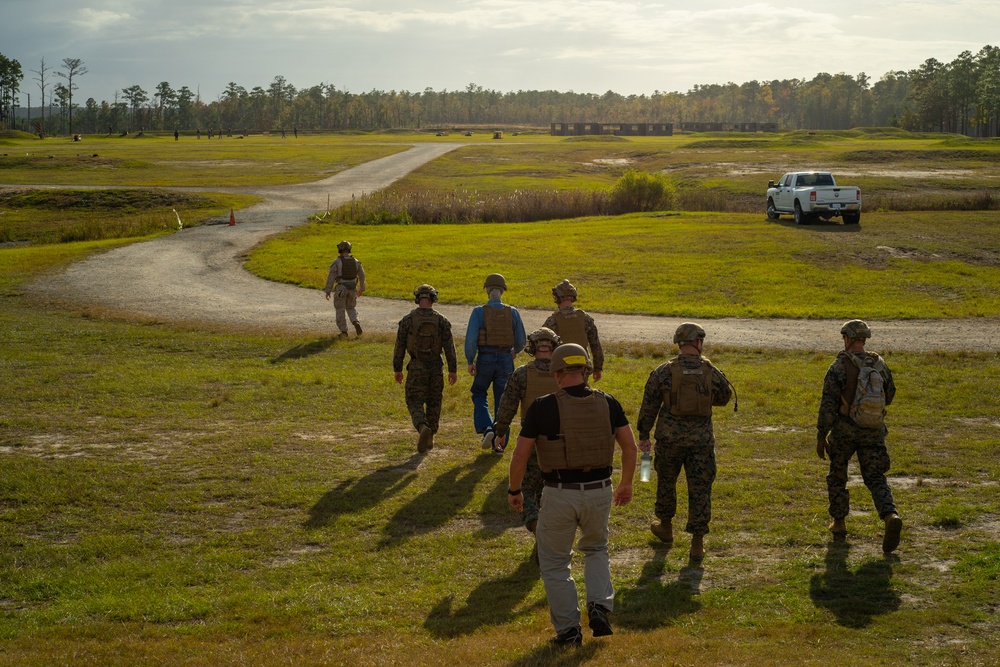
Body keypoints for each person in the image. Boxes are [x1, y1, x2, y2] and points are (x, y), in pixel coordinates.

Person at [507, 343, 636, 647]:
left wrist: (515, 490)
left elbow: (520, 455)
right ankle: (600, 606)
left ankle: (568, 631)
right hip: (600, 491)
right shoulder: (609, 403)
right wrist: (626, 483)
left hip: (559, 493)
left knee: (554, 563)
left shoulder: (542, 406)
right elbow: (631, 448)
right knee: (596, 549)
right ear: (586, 370)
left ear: (558, 372)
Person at [636, 322, 733, 561]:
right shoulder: (711, 371)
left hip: (669, 441)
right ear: (698, 343)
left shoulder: (663, 371)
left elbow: (649, 405)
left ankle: (666, 527)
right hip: (701, 442)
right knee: (700, 489)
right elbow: (724, 398)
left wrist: (643, 434)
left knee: (666, 483)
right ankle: (697, 544)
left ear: (679, 343)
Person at [817, 319, 902, 553]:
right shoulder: (879, 364)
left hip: (844, 431)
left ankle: (839, 522)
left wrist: (821, 434)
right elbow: (890, 395)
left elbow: (828, 405)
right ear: (863, 340)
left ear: (847, 338)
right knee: (875, 477)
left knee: (837, 476)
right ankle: (890, 515)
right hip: (873, 431)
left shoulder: (838, 367)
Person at [492, 327, 562, 543]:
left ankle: (535, 525)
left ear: (532, 347)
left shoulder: (522, 374)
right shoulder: (565, 373)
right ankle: (548, 532)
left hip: (531, 441)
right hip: (561, 443)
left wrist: (500, 432)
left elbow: (507, 407)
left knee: (522, 490)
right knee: (554, 492)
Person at [393, 284, 458, 453]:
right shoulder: (442, 321)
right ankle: (430, 437)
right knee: (434, 402)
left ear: (417, 298)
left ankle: (422, 427)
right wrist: (453, 370)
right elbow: (450, 348)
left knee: (414, 400)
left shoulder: (407, 320)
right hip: (436, 367)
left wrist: (397, 368)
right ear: (433, 299)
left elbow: (399, 346)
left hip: (416, 367)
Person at [465, 273, 526, 449]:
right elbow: (521, 340)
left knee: (478, 393)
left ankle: (486, 428)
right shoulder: (513, 312)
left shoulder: (479, 312)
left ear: (487, 290)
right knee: (503, 401)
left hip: (485, 359)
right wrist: (514, 351)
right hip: (506, 360)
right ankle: (499, 445)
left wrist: (471, 360)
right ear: (503, 291)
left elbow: (471, 340)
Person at [543, 279, 605, 381]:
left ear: (557, 298)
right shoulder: (585, 318)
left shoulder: (552, 321)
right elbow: (595, 346)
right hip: (582, 366)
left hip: (561, 367)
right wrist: (597, 368)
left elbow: (544, 347)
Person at [323, 240, 366, 338]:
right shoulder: (356, 262)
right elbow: (362, 275)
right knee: (351, 307)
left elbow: (331, 277)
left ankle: (344, 331)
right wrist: (361, 288)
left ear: (339, 249)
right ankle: (355, 321)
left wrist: (328, 290)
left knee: (340, 309)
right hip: (353, 288)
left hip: (341, 288)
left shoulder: (337, 262)